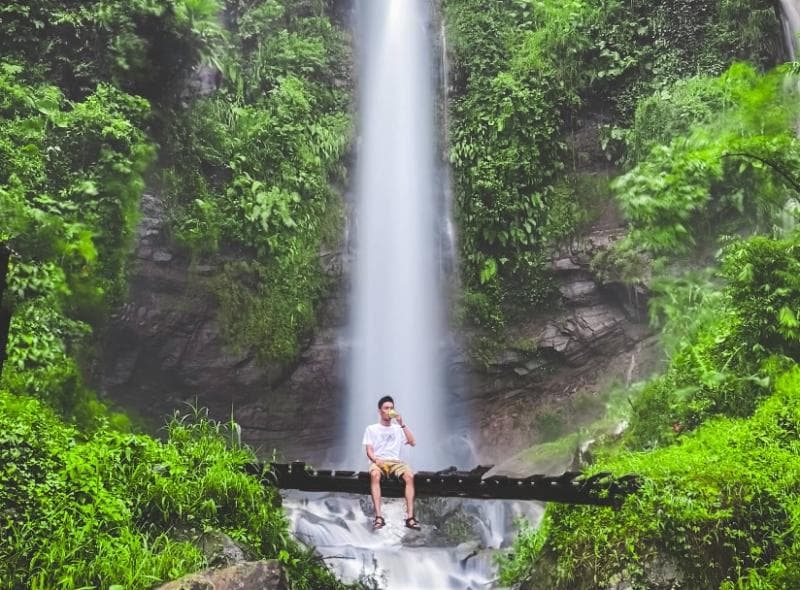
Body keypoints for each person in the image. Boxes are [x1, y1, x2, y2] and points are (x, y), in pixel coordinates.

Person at [362, 395, 421, 530]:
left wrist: (402, 423)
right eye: (386, 408)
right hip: (378, 461)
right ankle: (378, 517)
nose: (389, 410)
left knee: (409, 476)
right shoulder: (371, 428)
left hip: (395, 462)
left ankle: (410, 518)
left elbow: (413, 442)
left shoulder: (397, 428)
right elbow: (369, 450)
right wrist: (376, 460)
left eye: (391, 408)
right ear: (380, 411)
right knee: (375, 475)